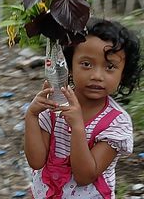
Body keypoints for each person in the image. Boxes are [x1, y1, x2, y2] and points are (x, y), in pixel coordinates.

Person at [24, 17, 141, 199]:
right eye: (86, 64)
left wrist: (78, 127)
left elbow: (84, 176)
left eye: (110, 67)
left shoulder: (117, 122)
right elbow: (36, 161)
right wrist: (31, 116)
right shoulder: (54, 105)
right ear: (69, 66)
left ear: (122, 74)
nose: (96, 75)